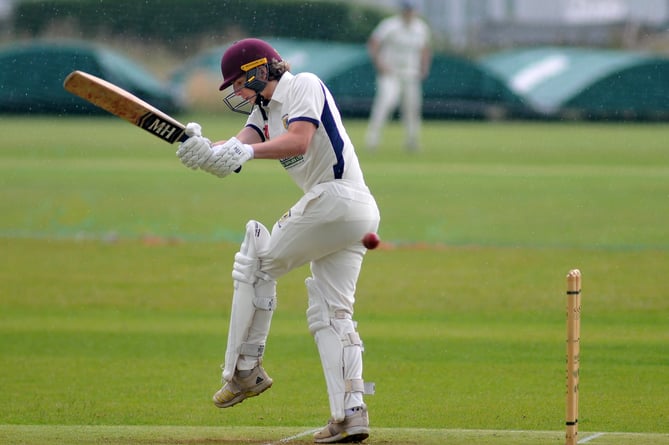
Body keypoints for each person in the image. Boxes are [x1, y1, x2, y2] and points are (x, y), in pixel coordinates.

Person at [175, 38, 380, 444]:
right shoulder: (263, 110)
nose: (235, 91)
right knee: (332, 314)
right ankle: (350, 413)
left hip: (335, 199)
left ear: (260, 70)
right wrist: (200, 149)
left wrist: (243, 155)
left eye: (238, 82)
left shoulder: (303, 84)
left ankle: (245, 370)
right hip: (352, 213)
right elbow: (234, 150)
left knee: (258, 261)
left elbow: (298, 140)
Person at [365, 0, 431, 152]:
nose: (409, 13)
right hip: (391, 73)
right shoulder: (390, 25)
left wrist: (424, 68)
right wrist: (380, 65)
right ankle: (372, 140)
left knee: (412, 107)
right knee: (386, 103)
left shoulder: (420, 27)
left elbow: (425, 48)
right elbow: (373, 43)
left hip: (411, 73)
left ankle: (412, 141)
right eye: (407, 10)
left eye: (411, 10)